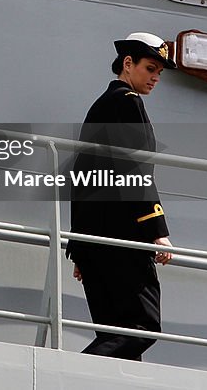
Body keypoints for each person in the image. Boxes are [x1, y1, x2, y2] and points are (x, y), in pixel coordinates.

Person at [68, 32, 176, 360]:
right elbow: (135, 170)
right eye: (150, 68)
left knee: (116, 336)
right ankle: (68, 375)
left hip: (96, 241)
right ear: (128, 64)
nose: (155, 77)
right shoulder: (126, 102)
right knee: (141, 327)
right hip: (121, 237)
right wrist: (158, 231)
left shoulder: (101, 105)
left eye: (159, 72)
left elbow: (82, 178)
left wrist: (82, 245)